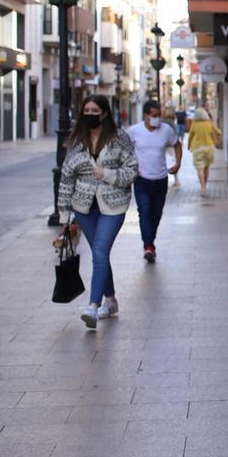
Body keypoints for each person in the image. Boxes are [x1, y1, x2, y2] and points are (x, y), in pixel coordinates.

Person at [57, 94, 138, 329]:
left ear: (104, 113)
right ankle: (111, 301)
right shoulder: (77, 141)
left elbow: (132, 170)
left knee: (100, 252)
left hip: (113, 206)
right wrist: (64, 215)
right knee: (99, 255)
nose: (90, 114)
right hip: (83, 208)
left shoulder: (119, 138)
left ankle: (93, 306)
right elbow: (66, 179)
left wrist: (108, 174)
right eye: (87, 110)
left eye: (95, 110)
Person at [126, 100, 182, 263]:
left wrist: (178, 164)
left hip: (161, 179)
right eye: (154, 115)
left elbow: (177, 145)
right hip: (142, 180)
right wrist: (131, 168)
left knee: (156, 214)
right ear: (146, 115)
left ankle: (150, 241)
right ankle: (148, 246)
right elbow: (125, 151)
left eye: (159, 115)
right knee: (144, 213)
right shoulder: (134, 131)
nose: (157, 118)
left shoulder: (166, 130)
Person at [188, 107, 222, 197]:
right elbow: (219, 132)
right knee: (206, 167)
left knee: (200, 168)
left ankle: (203, 188)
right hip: (209, 148)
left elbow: (190, 136)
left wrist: (188, 146)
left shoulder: (194, 124)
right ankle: (205, 186)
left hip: (197, 148)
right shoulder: (209, 123)